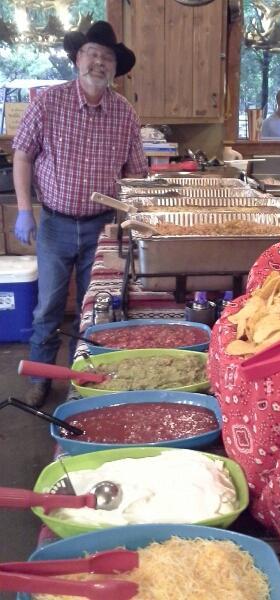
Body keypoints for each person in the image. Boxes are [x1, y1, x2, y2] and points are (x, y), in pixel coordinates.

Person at [13, 21, 148, 408]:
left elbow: (135, 174)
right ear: (76, 58)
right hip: (55, 224)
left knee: (97, 308)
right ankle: (41, 377)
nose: (99, 62)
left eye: (107, 57)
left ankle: (88, 379)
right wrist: (25, 211)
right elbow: (22, 155)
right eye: (92, 53)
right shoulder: (48, 103)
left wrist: (133, 217)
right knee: (48, 307)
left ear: (115, 67)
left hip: (103, 228)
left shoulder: (124, 113)